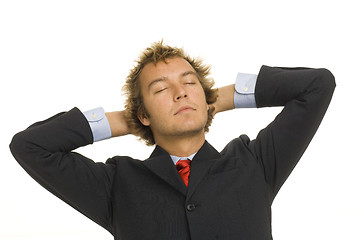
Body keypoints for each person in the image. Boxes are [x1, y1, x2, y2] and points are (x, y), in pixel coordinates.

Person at [10, 41, 336, 240]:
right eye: (162, 90)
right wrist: (131, 120)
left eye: (190, 83)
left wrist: (219, 99)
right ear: (144, 114)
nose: (180, 92)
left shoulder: (255, 162)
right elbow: (30, 146)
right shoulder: (116, 183)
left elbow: (318, 85)